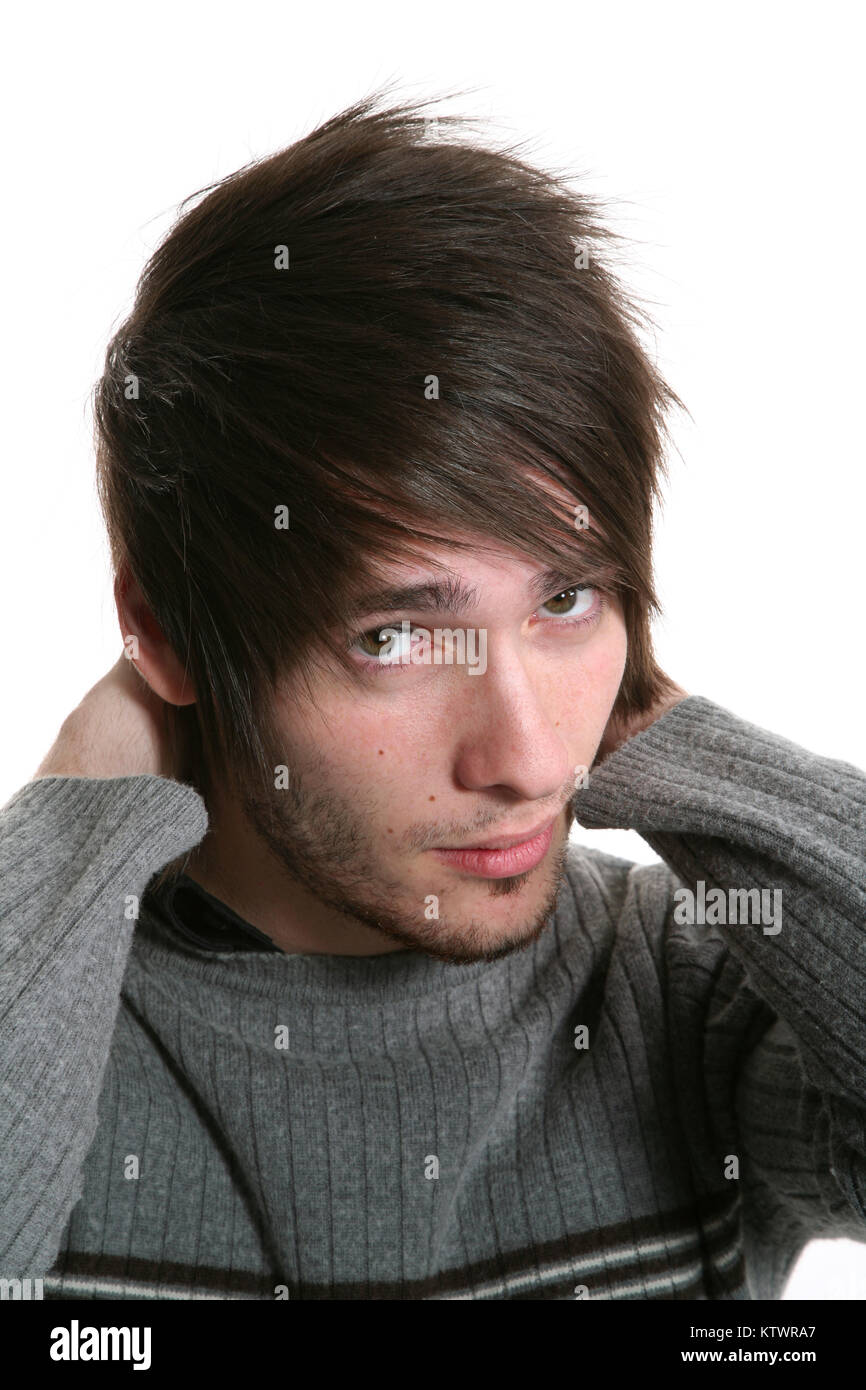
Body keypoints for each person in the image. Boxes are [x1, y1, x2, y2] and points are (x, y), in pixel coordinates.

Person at [1, 90, 864, 1301]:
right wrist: (77, 814)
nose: (524, 756)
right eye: (398, 633)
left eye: (566, 601)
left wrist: (678, 753)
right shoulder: (51, 1009)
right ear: (163, 628)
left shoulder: (688, 989)